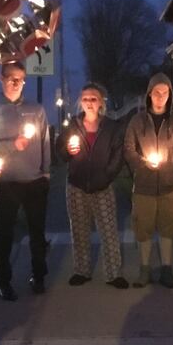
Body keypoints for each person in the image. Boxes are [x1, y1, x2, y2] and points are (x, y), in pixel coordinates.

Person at [0, 60, 51, 300]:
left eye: (21, 79)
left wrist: (46, 172)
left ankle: (38, 276)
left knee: (37, 232)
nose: (16, 83)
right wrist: (13, 145)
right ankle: (3, 281)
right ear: (1, 78)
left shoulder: (36, 109)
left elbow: (45, 141)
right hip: (8, 181)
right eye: (12, 78)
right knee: (4, 233)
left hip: (35, 180)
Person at [55, 83, 127, 289]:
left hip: (102, 186)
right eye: (85, 98)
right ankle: (82, 271)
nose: (89, 102)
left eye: (93, 98)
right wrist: (68, 150)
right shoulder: (73, 125)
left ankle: (113, 274)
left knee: (108, 231)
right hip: (76, 186)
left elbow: (118, 156)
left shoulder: (112, 127)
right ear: (80, 101)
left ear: (101, 102)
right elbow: (60, 152)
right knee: (79, 230)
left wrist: (106, 177)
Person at [124, 73, 173, 289]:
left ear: (170, 95)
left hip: (171, 187)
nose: (160, 97)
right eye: (156, 92)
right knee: (143, 230)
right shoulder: (137, 121)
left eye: (164, 92)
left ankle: (167, 270)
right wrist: (143, 163)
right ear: (149, 94)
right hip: (144, 187)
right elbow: (128, 149)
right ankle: (144, 270)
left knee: (168, 230)